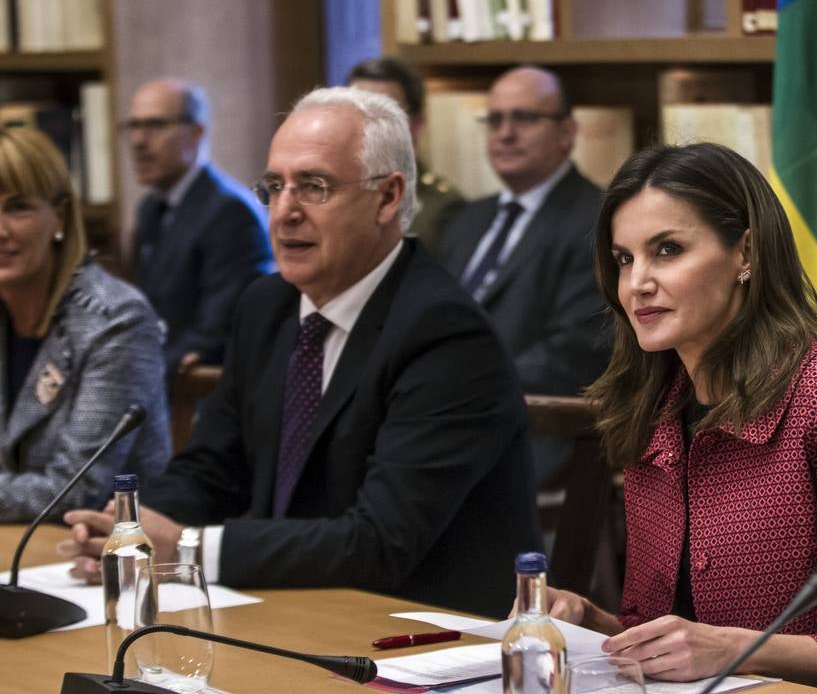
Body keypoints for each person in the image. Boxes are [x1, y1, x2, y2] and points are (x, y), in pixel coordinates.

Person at [62, 87, 539, 615]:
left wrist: (187, 548)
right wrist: (130, 531)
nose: (285, 212)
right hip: (283, 607)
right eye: (274, 187)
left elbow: (379, 542)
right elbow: (211, 468)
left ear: (388, 197)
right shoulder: (267, 305)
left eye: (313, 187)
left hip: (417, 639)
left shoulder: (444, 333)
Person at [538, 142, 817, 694]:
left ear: (745, 252)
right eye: (624, 258)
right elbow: (667, 633)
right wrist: (592, 621)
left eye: (667, 250)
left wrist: (733, 651)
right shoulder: (653, 407)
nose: (637, 284)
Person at [440, 65, 610, 480]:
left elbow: (576, 351)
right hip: (446, 425)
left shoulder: (598, 220)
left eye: (524, 118)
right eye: (495, 119)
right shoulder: (466, 220)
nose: (505, 133)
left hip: (535, 437)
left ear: (568, 132)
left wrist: (456, 382)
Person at [0, 126, 169, 521]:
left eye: (18, 207)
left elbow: (77, 492)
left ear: (58, 216)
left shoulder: (116, 321)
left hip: (110, 556)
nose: (1, 230)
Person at [125, 78, 272, 379]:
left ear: (196, 132)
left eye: (154, 125)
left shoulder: (231, 212)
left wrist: (139, 380)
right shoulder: (150, 209)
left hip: (202, 393)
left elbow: (215, 336)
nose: (138, 140)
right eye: (134, 126)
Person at [345, 56, 461, 259]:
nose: (366, 126)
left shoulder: (445, 208)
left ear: (416, 123)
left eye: (383, 115)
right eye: (356, 112)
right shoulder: (332, 194)